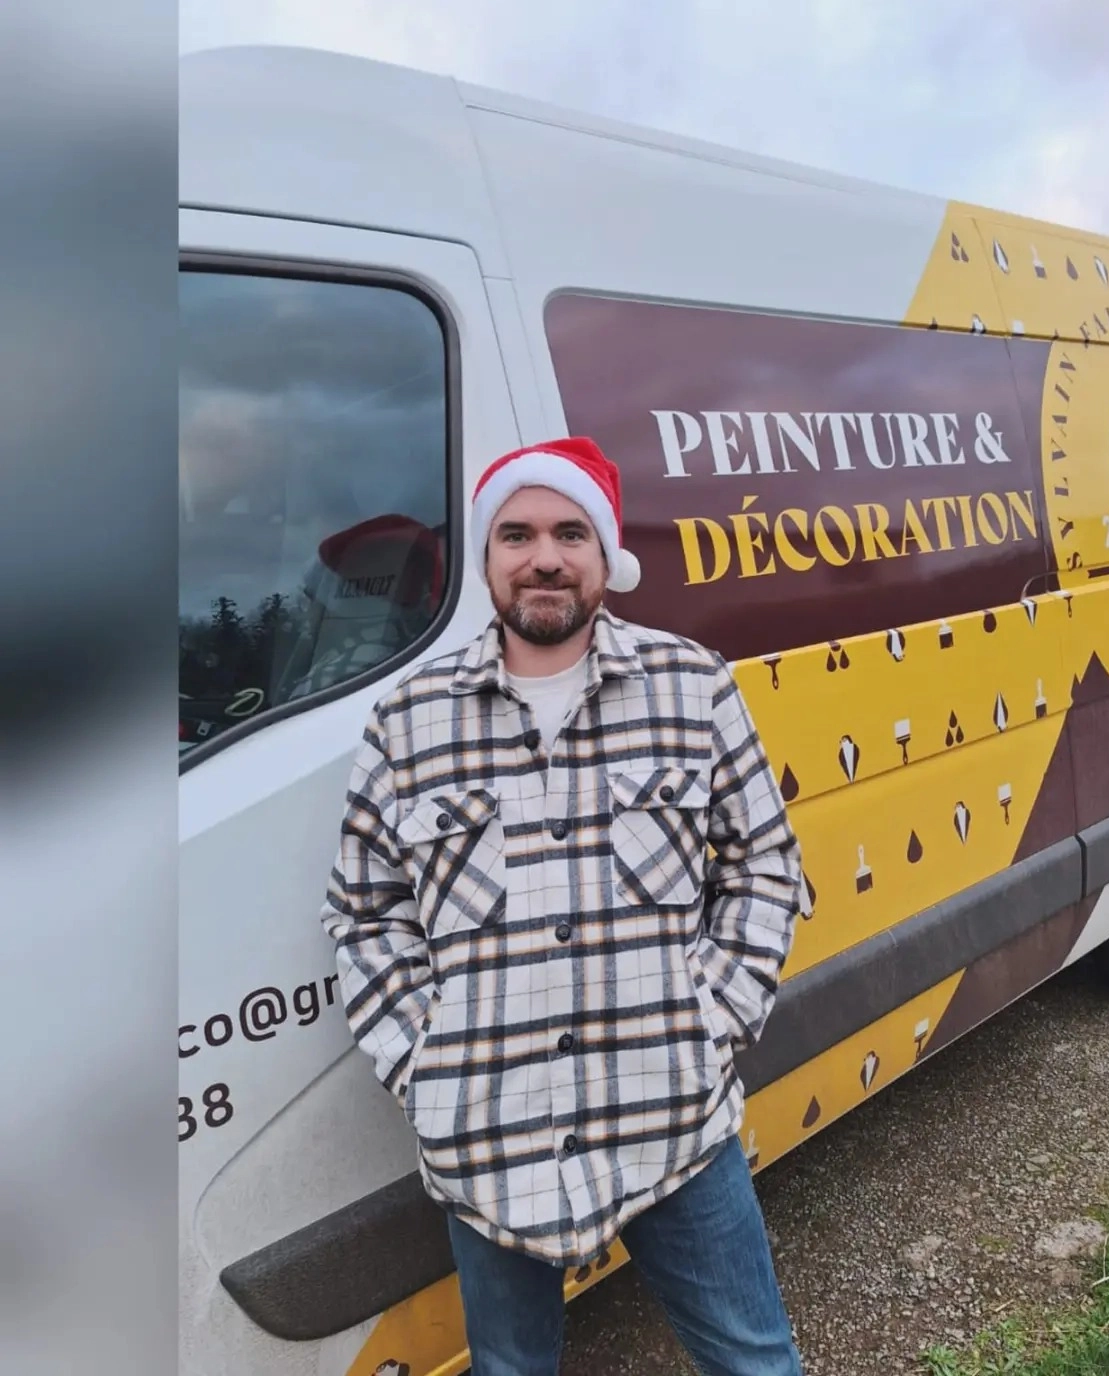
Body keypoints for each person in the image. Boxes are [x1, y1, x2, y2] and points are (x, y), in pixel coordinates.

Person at [321, 436, 805, 1376]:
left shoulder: (692, 686)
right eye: (517, 533)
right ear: (488, 558)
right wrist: (428, 1067)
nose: (544, 555)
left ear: (603, 554)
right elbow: (366, 915)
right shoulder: (407, 721)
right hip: (487, 1146)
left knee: (757, 1364)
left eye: (569, 532)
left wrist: (708, 1025)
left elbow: (766, 869)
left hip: (674, 1126)